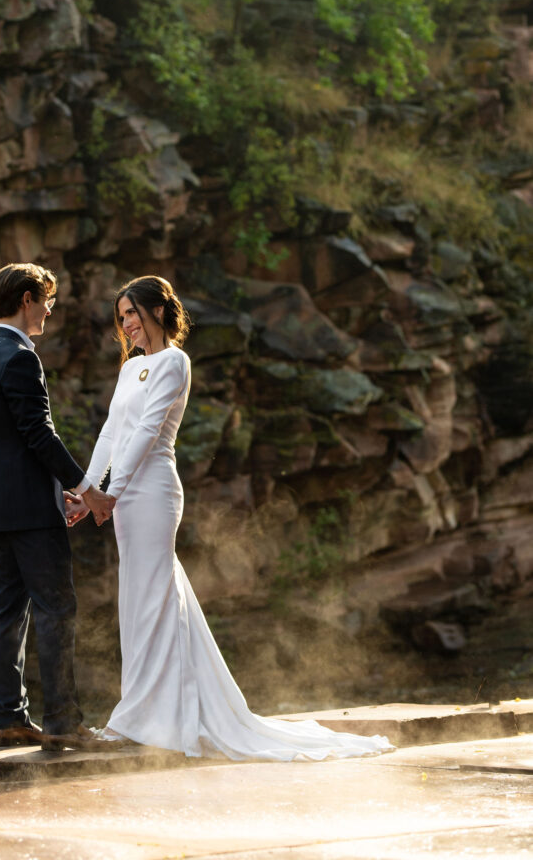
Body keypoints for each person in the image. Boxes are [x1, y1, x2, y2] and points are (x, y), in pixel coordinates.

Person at [84, 275, 393, 761]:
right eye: (120, 316)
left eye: (132, 314)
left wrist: (111, 491)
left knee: (152, 599)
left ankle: (149, 718)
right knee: (140, 601)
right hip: (124, 498)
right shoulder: (130, 370)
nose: (126, 324)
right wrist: (87, 491)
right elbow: (109, 433)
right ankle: (146, 712)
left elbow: (146, 432)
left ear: (158, 312)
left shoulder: (175, 362)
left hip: (153, 492)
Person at [0, 262, 116, 751]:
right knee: (57, 609)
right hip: (32, 508)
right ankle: (63, 722)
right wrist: (85, 489)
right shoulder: (20, 358)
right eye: (47, 299)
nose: (50, 308)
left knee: (6, 612)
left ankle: (9, 717)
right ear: (27, 298)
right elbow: (38, 435)